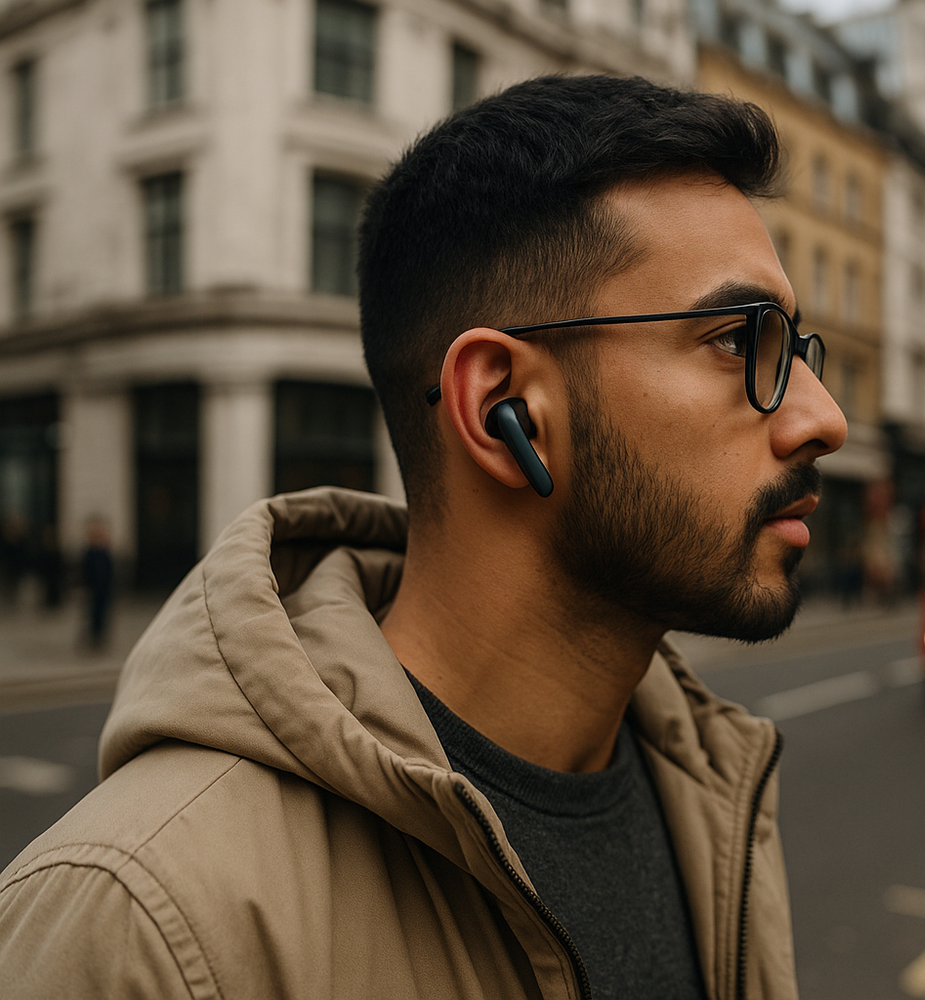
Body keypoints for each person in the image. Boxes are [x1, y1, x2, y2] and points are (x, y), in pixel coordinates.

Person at [0, 76, 846, 999]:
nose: (823, 418)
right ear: (502, 407)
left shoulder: (719, 801)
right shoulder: (140, 928)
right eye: (739, 340)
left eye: (795, 350)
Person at [79, 517, 115, 649]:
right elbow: (85, 571)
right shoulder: (90, 553)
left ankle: (100, 635)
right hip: (93, 589)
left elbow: (110, 571)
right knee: (92, 614)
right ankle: (93, 636)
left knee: (103, 613)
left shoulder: (105, 552)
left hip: (104, 588)